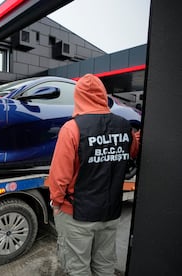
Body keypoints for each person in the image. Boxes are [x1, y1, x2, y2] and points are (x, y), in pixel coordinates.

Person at [47, 74, 140, 276]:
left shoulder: (72, 129)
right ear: (102, 96)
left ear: (78, 98)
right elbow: (133, 150)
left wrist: (56, 202)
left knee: (78, 268)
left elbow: (59, 177)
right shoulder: (124, 126)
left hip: (77, 214)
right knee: (104, 266)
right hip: (111, 212)